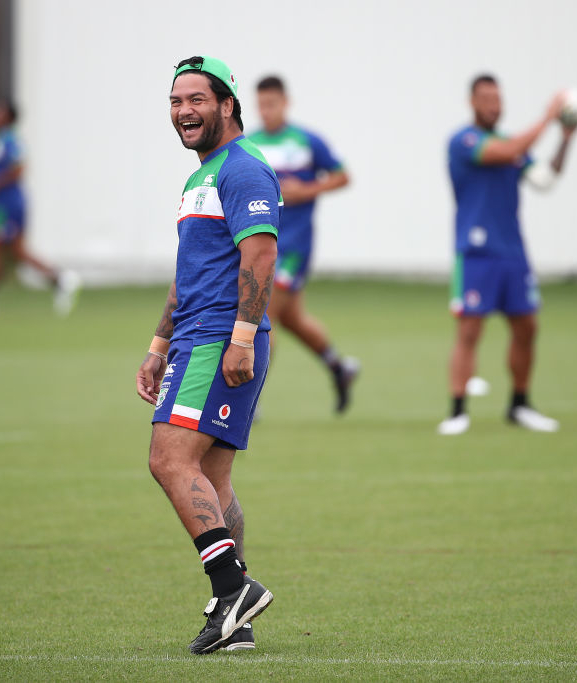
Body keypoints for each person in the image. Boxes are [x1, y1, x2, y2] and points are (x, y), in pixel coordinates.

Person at [135, 56, 278, 655]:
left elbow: (260, 255)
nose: (184, 111)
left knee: (169, 460)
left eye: (196, 99)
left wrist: (242, 335)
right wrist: (158, 342)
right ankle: (234, 620)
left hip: (219, 339)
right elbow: (189, 271)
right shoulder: (202, 175)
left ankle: (232, 587)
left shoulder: (243, 170)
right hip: (195, 337)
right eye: (175, 101)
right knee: (211, 476)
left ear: (227, 105)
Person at [439, 75, 577, 435]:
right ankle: (458, 411)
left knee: (527, 327)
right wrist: (548, 116)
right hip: (475, 251)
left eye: (497, 99)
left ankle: (519, 404)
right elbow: (506, 153)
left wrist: (565, 139)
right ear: (472, 102)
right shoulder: (464, 141)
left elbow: (545, 180)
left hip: (512, 252)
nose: (493, 105)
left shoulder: (513, 144)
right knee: (469, 329)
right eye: (486, 98)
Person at [248, 76, 359, 414]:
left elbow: (342, 176)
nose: (267, 111)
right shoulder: (248, 144)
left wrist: (306, 191)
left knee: (263, 314)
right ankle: (339, 369)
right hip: (261, 243)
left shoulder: (307, 141)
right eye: (261, 104)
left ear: (286, 102)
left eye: (272, 104)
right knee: (293, 318)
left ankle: (249, 400)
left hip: (294, 246)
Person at [0, 100, 79, 321]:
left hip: (6, 203)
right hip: (4, 202)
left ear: (7, 116)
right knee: (17, 252)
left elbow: (19, 168)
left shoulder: (9, 139)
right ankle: (59, 279)